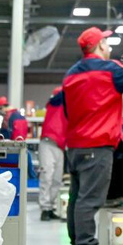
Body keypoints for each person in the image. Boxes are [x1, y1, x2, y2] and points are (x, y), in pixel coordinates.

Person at [63, 27, 123, 245]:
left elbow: (69, 111)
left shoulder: (71, 74)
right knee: (90, 199)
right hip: (97, 144)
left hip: (75, 145)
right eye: (106, 43)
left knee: (77, 197)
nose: (109, 47)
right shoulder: (109, 70)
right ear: (100, 46)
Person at [38, 87, 67, 221]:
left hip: (60, 146)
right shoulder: (54, 104)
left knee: (56, 179)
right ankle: (45, 209)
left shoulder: (68, 108)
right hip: (48, 143)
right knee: (47, 176)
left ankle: (51, 207)